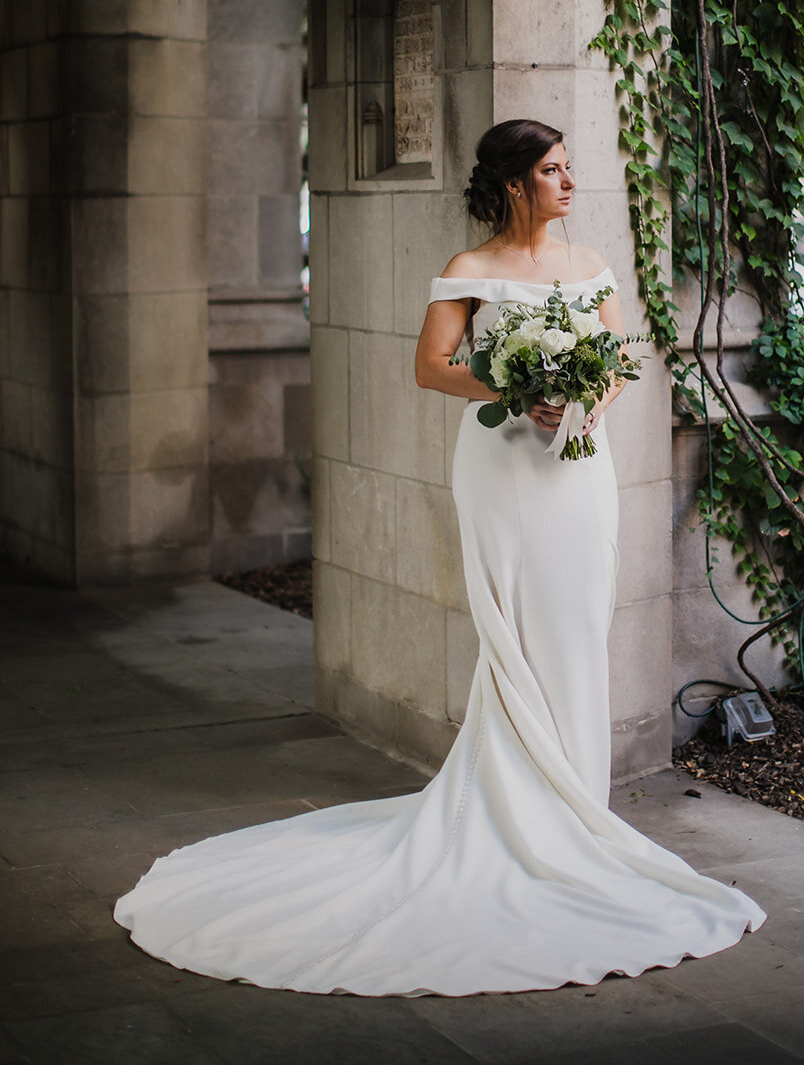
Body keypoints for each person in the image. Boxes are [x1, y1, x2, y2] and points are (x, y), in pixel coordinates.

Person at [113, 117, 764, 995]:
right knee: (512, 632)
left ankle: (574, 812)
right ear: (511, 183)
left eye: (571, 168)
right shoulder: (468, 270)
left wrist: (584, 400)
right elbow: (432, 367)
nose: (569, 183)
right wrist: (521, 388)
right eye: (552, 170)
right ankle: (522, 814)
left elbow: (620, 360)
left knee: (574, 624)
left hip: (577, 466)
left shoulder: (591, 262)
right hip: (501, 467)